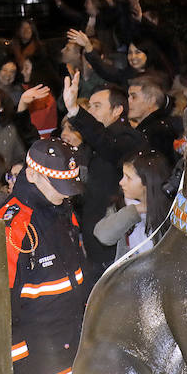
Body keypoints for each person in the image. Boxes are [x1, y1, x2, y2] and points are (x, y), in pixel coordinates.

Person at [0, 138, 89, 374]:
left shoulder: (62, 207)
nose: (64, 195)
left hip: (74, 343)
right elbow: (2, 306)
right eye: (57, 186)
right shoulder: (14, 226)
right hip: (40, 361)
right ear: (32, 174)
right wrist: (21, 372)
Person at [63, 76, 148, 277]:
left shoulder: (128, 138)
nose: (90, 111)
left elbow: (107, 144)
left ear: (117, 110)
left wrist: (76, 111)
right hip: (91, 233)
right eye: (89, 106)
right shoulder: (92, 141)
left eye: (97, 106)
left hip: (114, 239)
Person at [92, 149, 172, 260]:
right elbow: (103, 235)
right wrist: (135, 210)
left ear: (148, 182)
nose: (121, 182)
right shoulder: (121, 205)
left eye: (128, 177)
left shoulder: (171, 212)